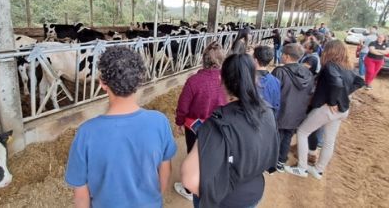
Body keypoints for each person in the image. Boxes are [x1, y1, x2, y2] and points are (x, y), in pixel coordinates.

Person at [65, 46, 177, 208]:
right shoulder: (159, 122)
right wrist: (154, 199)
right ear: (139, 80)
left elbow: (81, 196)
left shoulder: (86, 132)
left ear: (102, 83)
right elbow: (165, 171)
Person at [181, 54, 279, 208]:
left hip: (225, 200)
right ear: (254, 78)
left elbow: (190, 181)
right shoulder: (267, 110)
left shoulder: (216, 123)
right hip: (254, 192)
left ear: (222, 81)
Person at [286, 40, 364, 180]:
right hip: (342, 110)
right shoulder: (348, 67)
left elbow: (336, 83)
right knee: (329, 140)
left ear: (331, 51)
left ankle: (302, 168)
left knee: (302, 132)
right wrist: (344, 95)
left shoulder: (330, 66)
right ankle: (318, 170)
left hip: (328, 108)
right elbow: (359, 81)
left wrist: (333, 100)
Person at [174, 42, 226, 202]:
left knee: (194, 154)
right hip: (219, 125)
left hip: (195, 126)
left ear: (203, 60)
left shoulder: (193, 81)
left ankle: (190, 189)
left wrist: (179, 122)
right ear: (221, 60)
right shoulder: (226, 80)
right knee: (214, 153)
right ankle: (211, 182)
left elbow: (183, 106)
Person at [271, 43, 314, 172]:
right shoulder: (308, 74)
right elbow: (310, 92)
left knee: (275, 137)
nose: (281, 56)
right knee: (288, 136)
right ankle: (281, 161)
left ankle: (271, 161)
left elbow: (272, 91)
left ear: (287, 57)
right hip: (297, 113)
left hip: (280, 112)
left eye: (282, 54)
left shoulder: (280, 71)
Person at [253, 45, 281, 118]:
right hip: (268, 119)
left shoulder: (248, 79)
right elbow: (276, 104)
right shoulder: (276, 81)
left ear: (255, 60)